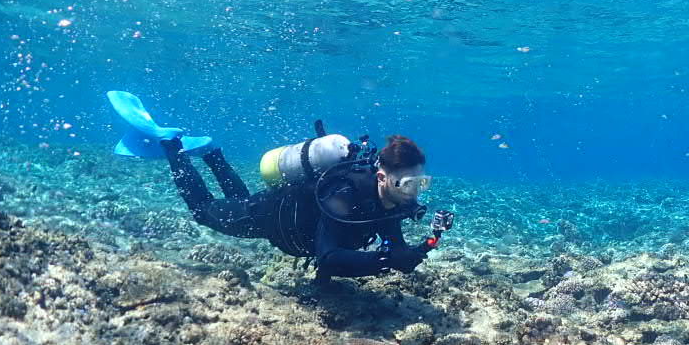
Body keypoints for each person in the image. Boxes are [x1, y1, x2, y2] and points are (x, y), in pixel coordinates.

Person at [107, 91, 453, 280]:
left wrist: (419, 248)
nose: (415, 191)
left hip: (277, 215)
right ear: (382, 177)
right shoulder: (345, 196)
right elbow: (329, 258)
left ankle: (212, 152)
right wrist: (385, 259)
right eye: (409, 182)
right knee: (204, 212)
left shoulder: (392, 202)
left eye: (421, 182)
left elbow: (396, 252)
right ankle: (172, 146)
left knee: (239, 199)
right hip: (271, 216)